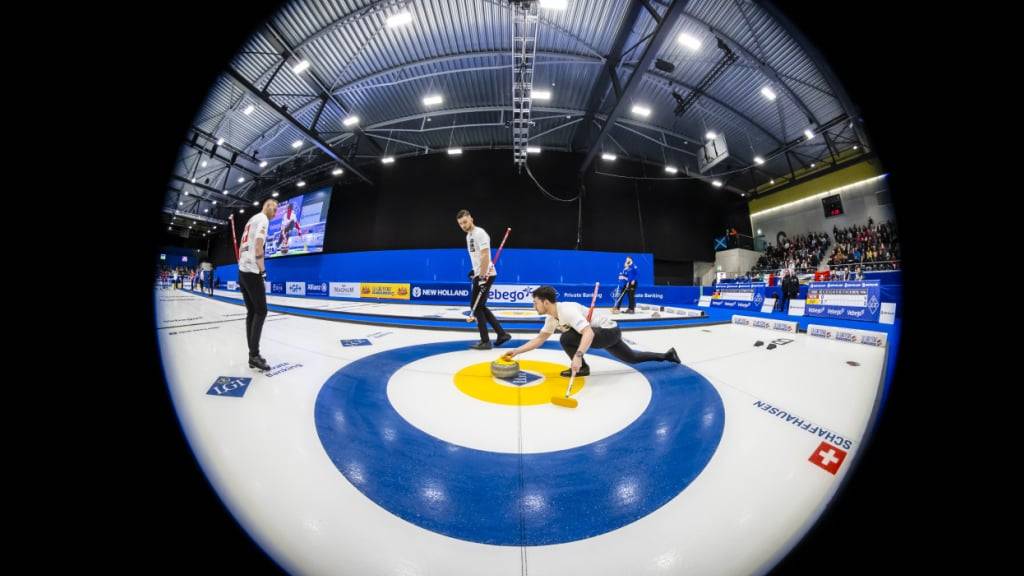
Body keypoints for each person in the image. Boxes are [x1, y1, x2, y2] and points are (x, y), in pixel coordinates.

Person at [502, 286, 679, 377]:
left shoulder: (567, 310)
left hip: (608, 331)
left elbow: (589, 333)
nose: (534, 306)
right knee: (632, 357)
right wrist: (516, 351)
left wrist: (578, 356)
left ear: (545, 302)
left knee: (566, 338)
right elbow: (540, 339)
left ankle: (582, 368)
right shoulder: (551, 318)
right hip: (606, 333)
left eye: (535, 302)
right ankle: (667, 355)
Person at [456, 209, 510, 350]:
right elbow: (477, 257)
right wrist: (475, 271)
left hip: (486, 275)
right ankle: (502, 334)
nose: (463, 225)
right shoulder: (469, 236)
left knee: (476, 307)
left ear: (471, 219)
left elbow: (485, 255)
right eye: (461, 224)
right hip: (480, 274)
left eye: (465, 222)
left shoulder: (480, 233)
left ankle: (485, 341)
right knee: (480, 306)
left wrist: (482, 275)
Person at [238, 198, 278, 370]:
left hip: (242, 270)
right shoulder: (263, 219)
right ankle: (254, 355)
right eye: (274, 209)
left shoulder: (251, 219)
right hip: (252, 271)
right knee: (261, 311)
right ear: (267, 206)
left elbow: (243, 244)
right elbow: (259, 245)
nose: (275, 213)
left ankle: (252, 355)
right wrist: (263, 270)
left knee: (252, 312)